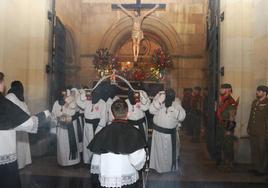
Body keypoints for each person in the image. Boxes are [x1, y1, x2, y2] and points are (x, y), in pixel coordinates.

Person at [0, 72, 50, 188]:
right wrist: (44, 115)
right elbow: (28, 123)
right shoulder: (4, 104)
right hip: (4, 161)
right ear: (1, 84)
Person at [88, 99, 147, 188]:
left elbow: (96, 161)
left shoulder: (103, 132)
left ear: (112, 115)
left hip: (107, 178)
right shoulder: (133, 133)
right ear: (128, 114)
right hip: (126, 179)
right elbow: (137, 162)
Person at [149, 89, 186, 173]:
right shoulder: (159, 100)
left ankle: (170, 169)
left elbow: (182, 116)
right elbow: (151, 110)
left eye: (171, 96)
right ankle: (158, 170)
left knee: (169, 155)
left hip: (171, 135)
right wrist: (159, 101)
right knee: (159, 155)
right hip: (158, 134)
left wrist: (172, 109)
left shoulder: (176, 103)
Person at [5, 81, 32, 169]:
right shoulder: (21, 99)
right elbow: (28, 113)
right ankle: (22, 163)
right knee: (21, 147)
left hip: (14, 128)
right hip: (23, 127)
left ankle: (17, 165)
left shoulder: (10, 96)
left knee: (16, 147)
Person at [51, 89, 81, 166]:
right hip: (61, 128)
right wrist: (54, 129)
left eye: (64, 95)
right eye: (61, 95)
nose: (63, 96)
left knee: (70, 143)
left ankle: (74, 162)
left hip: (71, 126)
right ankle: (63, 162)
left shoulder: (72, 102)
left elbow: (75, 113)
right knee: (62, 146)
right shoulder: (56, 104)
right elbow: (53, 116)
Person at [215, 83, 238, 171]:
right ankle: (225, 162)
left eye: (222, 89)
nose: (220, 90)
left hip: (227, 127)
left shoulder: (231, 102)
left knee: (228, 146)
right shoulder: (223, 100)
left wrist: (229, 130)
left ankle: (230, 164)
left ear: (228, 90)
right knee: (223, 145)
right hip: (222, 125)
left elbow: (232, 117)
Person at [247, 85, 268, 176]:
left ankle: (262, 169)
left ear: (264, 92)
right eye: (257, 91)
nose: (257, 92)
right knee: (254, 149)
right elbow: (251, 116)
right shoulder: (255, 102)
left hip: (263, 131)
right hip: (253, 130)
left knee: (262, 150)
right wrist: (248, 127)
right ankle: (255, 167)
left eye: (259, 91)